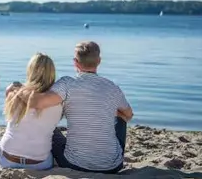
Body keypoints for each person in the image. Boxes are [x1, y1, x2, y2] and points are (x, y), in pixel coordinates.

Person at [29, 41, 133, 174]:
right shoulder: (112, 87)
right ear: (99, 61)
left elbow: (38, 103)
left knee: (51, 129)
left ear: (75, 62)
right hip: (112, 166)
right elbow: (129, 114)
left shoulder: (67, 83)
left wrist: (17, 90)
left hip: (73, 164)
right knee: (121, 116)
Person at [0, 53, 62, 170]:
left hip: (7, 160)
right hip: (39, 164)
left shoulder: (13, 93)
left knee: (1, 141)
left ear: (30, 71)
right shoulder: (57, 100)